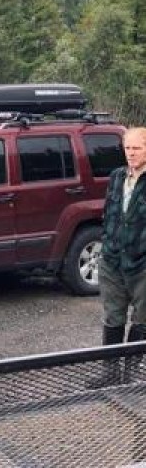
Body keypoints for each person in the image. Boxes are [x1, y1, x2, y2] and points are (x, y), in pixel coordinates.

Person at [95, 126, 146, 384]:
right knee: (113, 316)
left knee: (142, 319)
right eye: (128, 148)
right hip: (113, 261)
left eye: (137, 148)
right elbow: (108, 214)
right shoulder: (116, 176)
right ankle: (110, 373)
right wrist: (107, 245)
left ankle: (130, 375)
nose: (131, 153)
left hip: (142, 265)